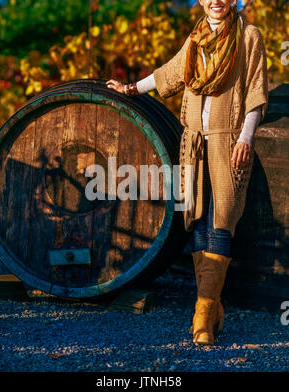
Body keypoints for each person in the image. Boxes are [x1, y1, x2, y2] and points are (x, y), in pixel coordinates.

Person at [106, 0, 268, 345]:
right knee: (195, 217)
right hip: (192, 142)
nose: (216, 1)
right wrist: (130, 89)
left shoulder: (248, 36)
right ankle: (209, 311)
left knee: (221, 217)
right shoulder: (195, 38)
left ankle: (202, 315)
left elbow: (256, 90)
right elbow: (170, 73)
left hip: (228, 141)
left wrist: (246, 137)